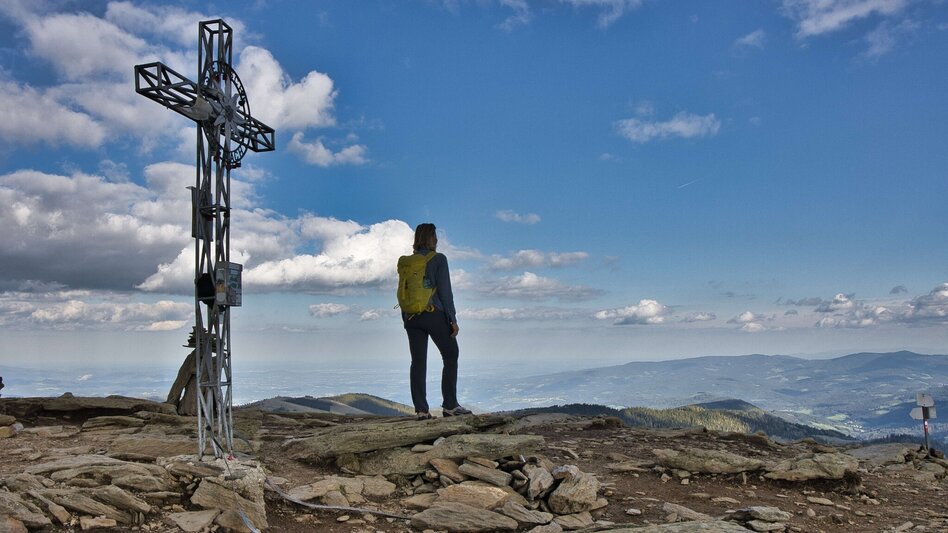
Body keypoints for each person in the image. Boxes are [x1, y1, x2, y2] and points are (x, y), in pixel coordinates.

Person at [403, 223, 472, 420]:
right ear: (431, 238)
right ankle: (450, 405)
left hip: (411, 317)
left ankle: (421, 411)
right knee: (451, 355)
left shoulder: (408, 262)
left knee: (418, 362)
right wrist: (452, 319)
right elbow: (445, 292)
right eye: (436, 236)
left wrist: (406, 318)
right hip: (434, 314)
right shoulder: (439, 259)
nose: (438, 239)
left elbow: (404, 293)